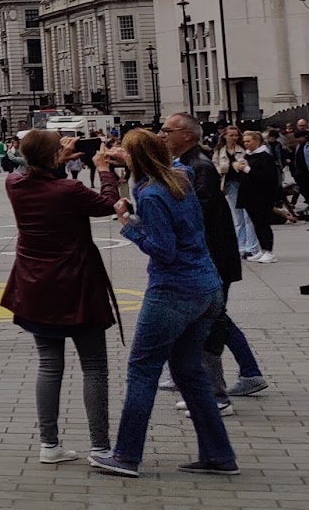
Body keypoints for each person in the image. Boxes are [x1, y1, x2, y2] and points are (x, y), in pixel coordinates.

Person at [93, 130, 239, 480]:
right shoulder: (181, 176)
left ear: (136, 160)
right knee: (190, 372)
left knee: (142, 370)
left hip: (173, 292)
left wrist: (127, 224)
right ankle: (219, 454)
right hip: (207, 286)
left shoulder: (153, 194)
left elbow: (163, 249)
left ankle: (127, 455)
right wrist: (123, 158)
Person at [0, 131, 119, 463]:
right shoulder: (70, 189)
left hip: (35, 282)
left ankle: (49, 444)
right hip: (77, 282)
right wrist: (104, 170)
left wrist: (52, 160)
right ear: (54, 157)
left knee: (50, 364)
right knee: (94, 366)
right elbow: (108, 204)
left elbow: (29, 171)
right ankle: (100, 447)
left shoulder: (14, 184)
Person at [161, 113, 269, 401]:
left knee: (211, 318)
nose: (163, 135)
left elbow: (201, 216)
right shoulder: (189, 164)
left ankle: (232, 379)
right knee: (210, 316)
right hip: (209, 257)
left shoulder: (200, 167)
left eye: (167, 130)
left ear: (186, 134)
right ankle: (242, 372)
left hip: (213, 258)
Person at [233, 129, 282, 263]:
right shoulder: (249, 155)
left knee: (263, 223)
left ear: (257, 141)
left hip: (262, 196)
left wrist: (247, 170)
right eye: (244, 142)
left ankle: (269, 251)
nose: (246, 144)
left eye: (249, 141)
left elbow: (268, 177)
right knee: (256, 223)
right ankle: (262, 249)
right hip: (249, 195)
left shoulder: (265, 157)